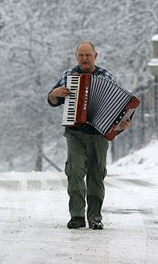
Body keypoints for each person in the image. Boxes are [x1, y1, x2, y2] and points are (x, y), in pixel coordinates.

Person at [47, 40, 130, 230]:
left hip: (99, 133)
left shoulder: (106, 77)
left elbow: (118, 108)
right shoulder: (68, 75)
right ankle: (76, 216)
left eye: (88, 55)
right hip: (75, 132)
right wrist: (55, 93)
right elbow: (52, 100)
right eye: (81, 55)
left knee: (96, 173)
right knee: (74, 171)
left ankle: (95, 217)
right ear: (76, 57)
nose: (84, 59)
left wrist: (123, 122)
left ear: (95, 56)